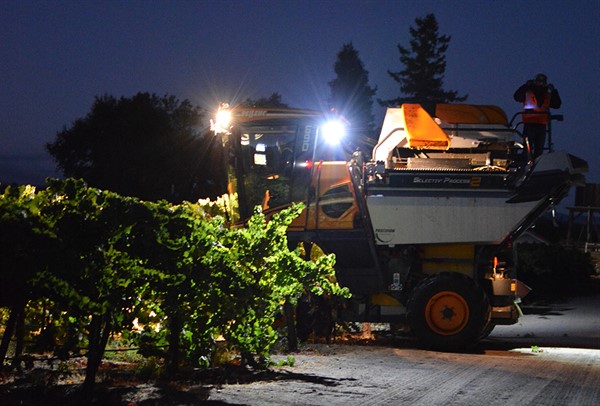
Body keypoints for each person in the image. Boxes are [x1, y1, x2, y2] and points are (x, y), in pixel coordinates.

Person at [513, 73, 561, 158]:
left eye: (542, 81)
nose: (540, 83)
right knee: (528, 148)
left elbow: (557, 104)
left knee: (539, 150)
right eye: (538, 81)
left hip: (541, 124)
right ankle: (525, 163)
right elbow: (517, 97)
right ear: (534, 81)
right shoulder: (527, 92)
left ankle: (536, 165)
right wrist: (525, 86)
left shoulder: (547, 94)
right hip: (529, 124)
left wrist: (554, 91)